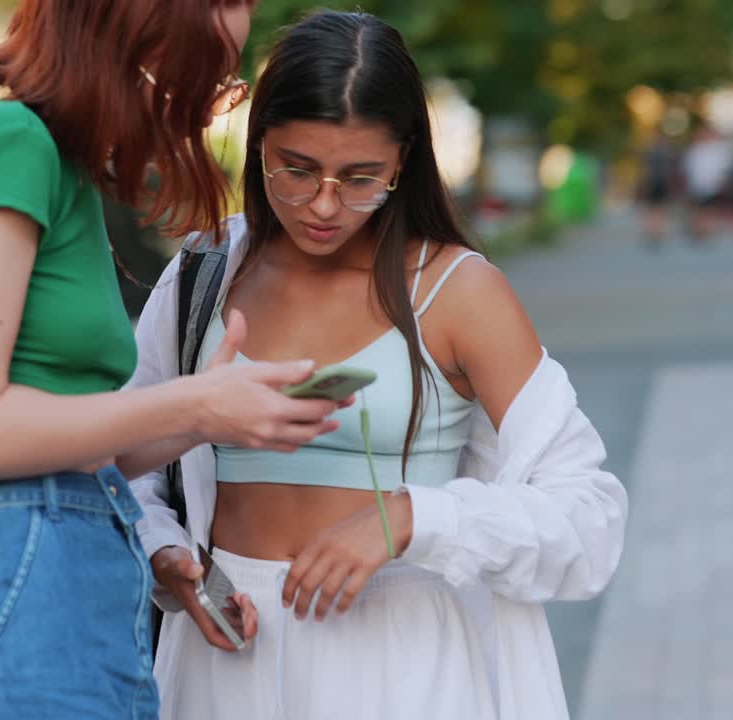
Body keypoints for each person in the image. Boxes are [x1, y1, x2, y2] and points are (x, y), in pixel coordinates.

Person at [128, 11, 628, 720]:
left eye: (360, 178)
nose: (324, 205)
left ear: (404, 161)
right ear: (258, 139)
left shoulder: (458, 291)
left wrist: (415, 518)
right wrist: (163, 550)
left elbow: (590, 519)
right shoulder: (203, 273)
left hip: (400, 664)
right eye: (295, 170)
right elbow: (127, 457)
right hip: (224, 654)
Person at [0, 2, 350, 718]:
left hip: (78, 581)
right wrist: (193, 404)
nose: (208, 109)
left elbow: (69, 442)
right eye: (210, 77)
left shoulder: (59, 172)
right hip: (24, 579)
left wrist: (213, 412)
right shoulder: (6, 141)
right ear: (135, 47)